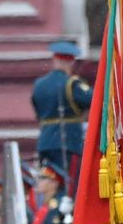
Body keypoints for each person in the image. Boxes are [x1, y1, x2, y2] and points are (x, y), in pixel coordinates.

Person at [31, 41, 91, 188]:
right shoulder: (72, 83)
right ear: (71, 62)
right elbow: (94, 100)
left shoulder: (39, 84)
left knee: (49, 181)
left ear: (54, 60)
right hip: (68, 140)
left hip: (45, 142)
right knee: (68, 184)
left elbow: (38, 111)